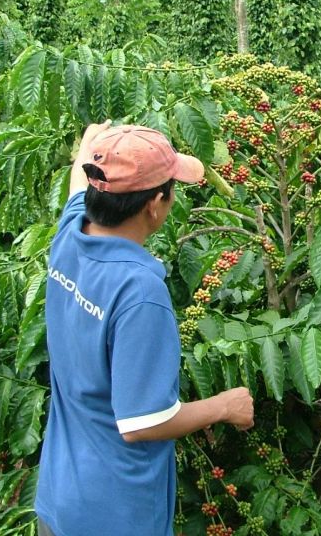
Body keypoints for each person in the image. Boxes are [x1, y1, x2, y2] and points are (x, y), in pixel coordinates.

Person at [35, 122, 254, 536]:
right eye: (171, 190)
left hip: (60, 497)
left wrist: (93, 144)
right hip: (116, 513)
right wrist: (225, 406)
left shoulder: (70, 236)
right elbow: (141, 422)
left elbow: (77, 181)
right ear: (155, 204)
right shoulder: (139, 292)